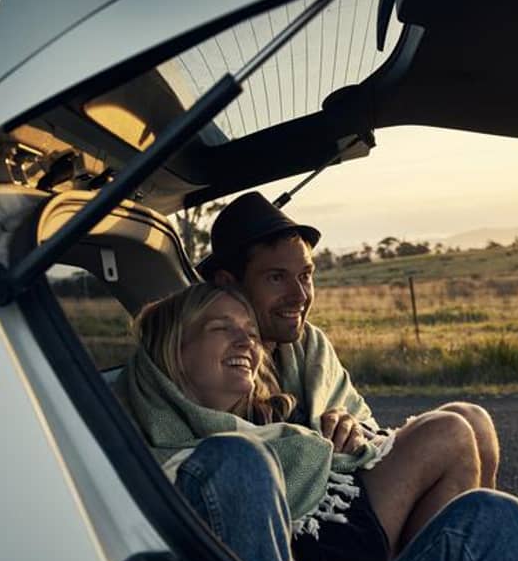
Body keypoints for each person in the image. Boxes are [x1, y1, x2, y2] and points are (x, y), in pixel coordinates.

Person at [116, 283, 518, 561]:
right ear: (174, 350)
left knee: (498, 516)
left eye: (250, 330)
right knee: (236, 457)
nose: (246, 339)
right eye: (221, 327)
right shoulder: (158, 461)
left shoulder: (294, 443)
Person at [199, 191, 502, 492]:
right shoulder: (212, 354)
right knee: (451, 433)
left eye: (305, 276)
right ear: (229, 283)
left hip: (348, 467)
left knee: (474, 419)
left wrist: (349, 426)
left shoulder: (309, 343)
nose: (300, 296)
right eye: (277, 278)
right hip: (319, 493)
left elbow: (362, 421)